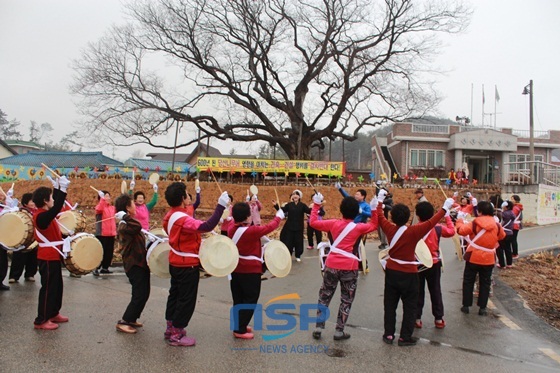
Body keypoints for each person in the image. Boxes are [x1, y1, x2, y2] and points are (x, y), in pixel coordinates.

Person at [375, 189, 452, 346]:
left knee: (390, 304)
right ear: (409, 217)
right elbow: (432, 222)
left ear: (393, 217)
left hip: (392, 271)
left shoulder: (389, 229)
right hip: (410, 273)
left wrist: (380, 202)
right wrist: (445, 209)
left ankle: (389, 335)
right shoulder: (415, 231)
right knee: (410, 306)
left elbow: (380, 216)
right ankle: (405, 337)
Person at [163, 182, 229, 347]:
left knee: (175, 295)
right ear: (182, 198)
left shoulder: (170, 215)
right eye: (186, 194)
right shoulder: (183, 219)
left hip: (175, 261)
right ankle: (177, 334)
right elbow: (206, 226)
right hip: (187, 265)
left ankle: (170, 327)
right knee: (186, 299)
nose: (188, 196)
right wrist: (220, 206)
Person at [310, 194, 379, 341]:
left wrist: (316, 204)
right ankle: (339, 330)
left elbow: (313, 222)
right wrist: (375, 209)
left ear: (341, 210)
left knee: (325, 295)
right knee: (346, 299)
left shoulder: (333, 223)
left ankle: (318, 326)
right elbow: (374, 225)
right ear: (356, 212)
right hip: (350, 266)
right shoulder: (358, 228)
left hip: (331, 264)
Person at [228, 202, 285, 339]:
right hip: (250, 271)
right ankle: (240, 330)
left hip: (235, 269)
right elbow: (270, 227)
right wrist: (279, 217)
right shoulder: (251, 231)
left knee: (238, 299)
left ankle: (240, 324)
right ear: (248, 217)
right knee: (250, 299)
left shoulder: (231, 228)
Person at [32, 175, 72, 330]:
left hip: (54, 255)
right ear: (44, 201)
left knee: (57, 286)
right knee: (48, 288)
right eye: (51, 197)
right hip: (47, 257)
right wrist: (62, 190)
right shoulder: (41, 216)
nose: (53, 199)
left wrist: (56, 189)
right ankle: (41, 320)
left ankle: (53, 312)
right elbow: (55, 208)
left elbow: (54, 206)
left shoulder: (44, 213)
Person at [456, 201, 506, 316]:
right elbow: (502, 236)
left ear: (480, 211)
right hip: (489, 258)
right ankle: (482, 308)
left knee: (468, 281)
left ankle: (466, 306)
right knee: (485, 282)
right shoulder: (497, 225)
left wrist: (459, 221)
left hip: (473, 256)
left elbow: (461, 231)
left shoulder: (475, 223)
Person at [414, 202, 455, 330]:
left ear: (417, 215)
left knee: (418, 292)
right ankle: (438, 319)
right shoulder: (437, 228)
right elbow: (451, 232)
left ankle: (417, 318)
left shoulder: (415, 228)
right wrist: (447, 217)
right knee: (435, 290)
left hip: (418, 264)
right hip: (434, 263)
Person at [113, 194, 151, 334]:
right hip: (134, 264)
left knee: (144, 292)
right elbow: (137, 226)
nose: (136, 206)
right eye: (133, 204)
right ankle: (124, 321)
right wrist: (125, 217)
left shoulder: (128, 222)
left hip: (140, 262)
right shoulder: (125, 225)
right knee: (139, 294)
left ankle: (132, 318)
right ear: (128, 208)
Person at [274, 190, 311, 262]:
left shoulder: (303, 205)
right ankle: (289, 254)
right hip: (290, 226)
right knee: (289, 241)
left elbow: (309, 211)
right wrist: (276, 205)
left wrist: (316, 206)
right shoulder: (289, 205)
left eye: (297, 194)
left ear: (299, 196)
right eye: (293, 195)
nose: (295, 196)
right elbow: (282, 210)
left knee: (298, 241)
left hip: (299, 226)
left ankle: (298, 255)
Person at [9, 193, 38, 283]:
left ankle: (30, 274)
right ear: (25, 203)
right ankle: (14, 276)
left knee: (33, 258)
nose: (33, 203)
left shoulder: (36, 211)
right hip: (22, 238)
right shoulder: (21, 211)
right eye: (31, 201)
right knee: (19, 257)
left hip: (33, 239)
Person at [94, 190, 116, 275]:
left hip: (111, 234)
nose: (108, 198)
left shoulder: (112, 208)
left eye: (108, 196)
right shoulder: (99, 207)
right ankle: (96, 267)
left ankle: (105, 267)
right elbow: (99, 209)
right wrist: (102, 200)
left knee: (109, 252)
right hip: (102, 233)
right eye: (105, 196)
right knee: (100, 252)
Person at [496, 201, 515, 269]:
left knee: (500, 249)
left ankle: (502, 264)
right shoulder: (512, 213)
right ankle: (509, 263)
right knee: (508, 248)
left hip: (503, 233)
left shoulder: (504, 214)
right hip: (510, 233)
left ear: (507, 207)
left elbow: (499, 215)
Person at [510, 195, 523, 259]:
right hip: (516, 225)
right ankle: (514, 252)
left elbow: (512, 215)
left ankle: (515, 253)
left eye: (512, 199)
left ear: (516, 200)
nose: (511, 200)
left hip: (514, 225)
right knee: (513, 239)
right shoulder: (518, 207)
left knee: (513, 240)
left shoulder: (515, 208)